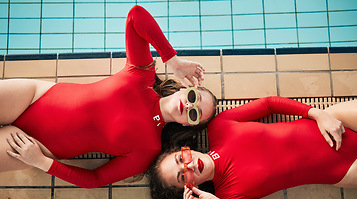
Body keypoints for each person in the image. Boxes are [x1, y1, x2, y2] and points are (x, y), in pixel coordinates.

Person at [0, 5, 217, 188]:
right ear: (184, 88)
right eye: (193, 96)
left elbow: (96, 179)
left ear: (189, 124)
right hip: (33, 97)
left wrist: (41, 161)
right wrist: (173, 61)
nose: (189, 105)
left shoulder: (148, 148)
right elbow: (135, 15)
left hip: (36, 145)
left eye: (194, 113)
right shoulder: (142, 76)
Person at [147, 96, 357, 199]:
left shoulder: (220, 126)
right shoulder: (229, 197)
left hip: (334, 120)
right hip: (345, 169)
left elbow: (268, 104)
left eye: (180, 159)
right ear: (189, 188)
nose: (190, 165)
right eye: (183, 176)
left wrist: (316, 113)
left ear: (183, 149)